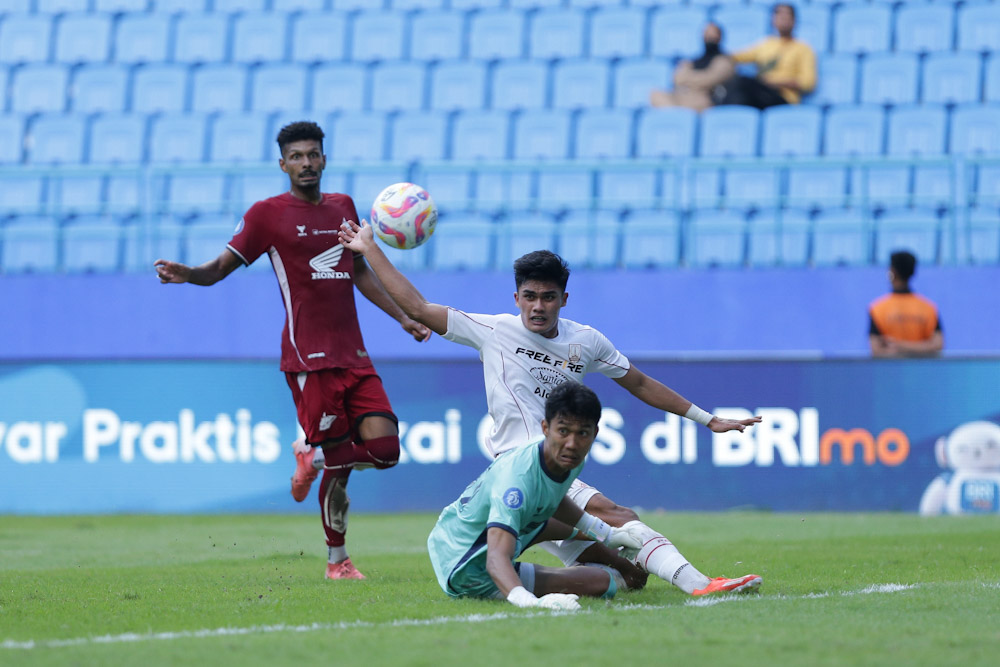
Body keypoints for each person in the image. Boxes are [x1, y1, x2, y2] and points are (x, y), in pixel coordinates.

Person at [337, 221, 764, 598]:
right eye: (529, 297)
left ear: (564, 298)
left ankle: (587, 578)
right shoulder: (492, 330)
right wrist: (371, 248)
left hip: (557, 470)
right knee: (617, 516)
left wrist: (707, 419)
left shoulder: (586, 341)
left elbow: (638, 381)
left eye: (547, 297)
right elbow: (416, 307)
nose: (537, 306)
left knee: (633, 577)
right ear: (516, 297)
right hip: (522, 465)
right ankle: (702, 585)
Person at [154, 121, 431, 580]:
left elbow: (358, 271)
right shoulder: (267, 214)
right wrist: (191, 273)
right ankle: (337, 562)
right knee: (342, 467)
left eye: (313, 154)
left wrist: (402, 317)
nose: (306, 163)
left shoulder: (343, 206)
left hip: (355, 355)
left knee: (385, 450)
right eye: (296, 156)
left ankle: (315, 455)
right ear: (282, 164)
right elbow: (222, 267)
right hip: (309, 359)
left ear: (324, 158)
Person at [428, 382, 647, 609]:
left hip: (466, 534)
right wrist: (531, 602)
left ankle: (581, 566)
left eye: (582, 433)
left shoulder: (564, 457)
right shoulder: (516, 484)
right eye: (563, 431)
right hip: (468, 567)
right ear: (545, 428)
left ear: (595, 433)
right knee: (603, 583)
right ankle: (568, 577)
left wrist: (608, 534)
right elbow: (495, 559)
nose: (572, 443)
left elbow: (554, 500)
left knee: (583, 537)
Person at [713, 3, 816, 110]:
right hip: (762, 94)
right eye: (779, 16)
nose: (783, 20)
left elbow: (808, 83)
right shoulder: (766, 44)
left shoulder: (803, 48)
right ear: (773, 20)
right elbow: (739, 56)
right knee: (737, 92)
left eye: (787, 17)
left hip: (784, 98)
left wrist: (774, 82)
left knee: (744, 83)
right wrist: (715, 48)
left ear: (794, 21)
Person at [869, 250, 944, 358]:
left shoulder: (877, 308)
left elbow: (876, 350)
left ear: (892, 272)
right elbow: (937, 345)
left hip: (889, 371)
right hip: (922, 371)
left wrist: (898, 346)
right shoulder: (928, 308)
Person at [650, 22, 735, 113]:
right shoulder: (693, 61)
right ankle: (679, 115)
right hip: (680, 99)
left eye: (712, 34)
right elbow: (677, 78)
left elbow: (709, 80)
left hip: (702, 99)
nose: (709, 37)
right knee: (655, 94)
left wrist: (688, 78)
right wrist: (696, 79)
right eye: (706, 33)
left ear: (720, 37)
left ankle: (680, 116)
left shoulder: (724, 61)